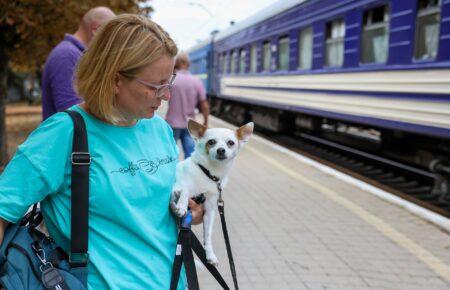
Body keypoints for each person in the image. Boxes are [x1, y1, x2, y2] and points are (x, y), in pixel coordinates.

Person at [0, 14, 203, 289]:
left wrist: (187, 211)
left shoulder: (160, 129)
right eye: (156, 86)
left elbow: (153, 208)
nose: (166, 95)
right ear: (115, 79)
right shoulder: (63, 134)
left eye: (170, 82)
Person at [41, 6, 116, 120]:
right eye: (110, 35)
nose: (111, 43)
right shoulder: (66, 55)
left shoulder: (75, 55)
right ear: (96, 29)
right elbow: (71, 111)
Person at [165, 53, 210, 158]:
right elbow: (204, 104)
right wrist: (206, 122)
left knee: (169, 156)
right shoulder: (196, 81)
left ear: (176, 64)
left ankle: (171, 173)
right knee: (190, 156)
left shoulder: (171, 80)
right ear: (188, 64)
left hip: (171, 123)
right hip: (190, 125)